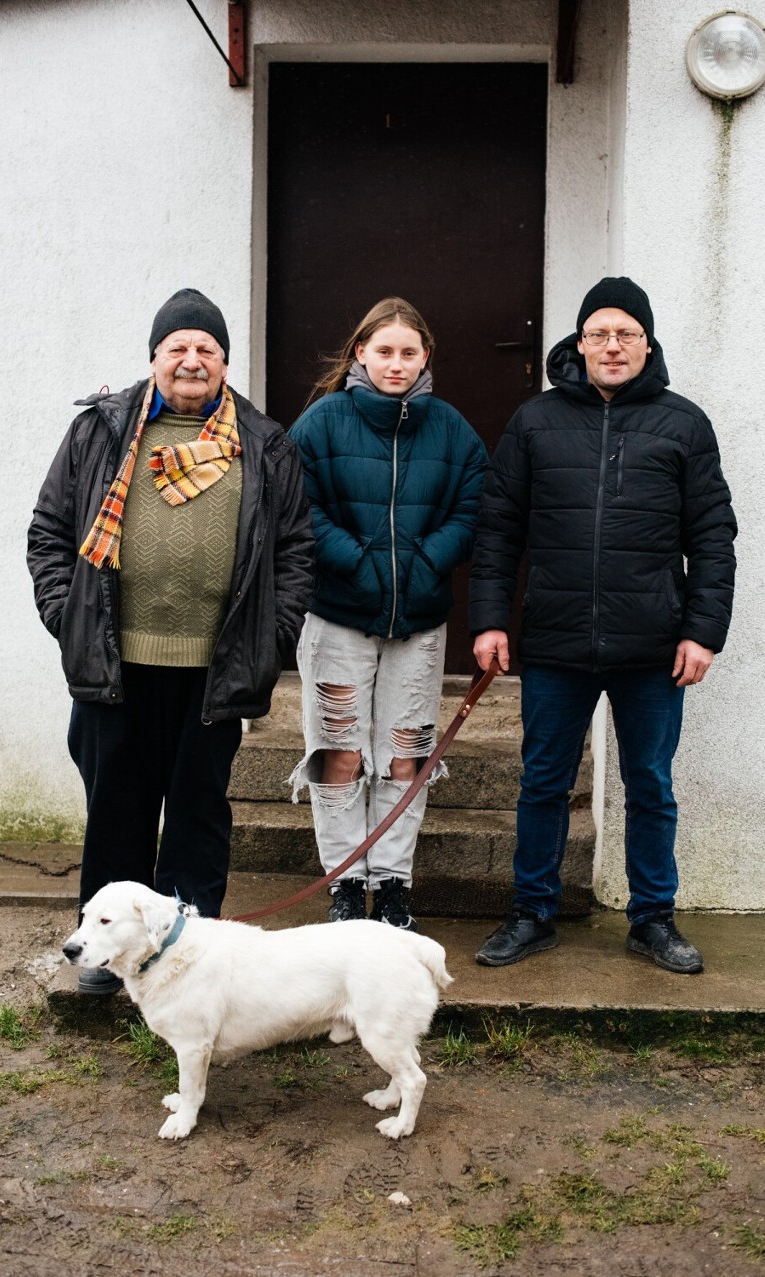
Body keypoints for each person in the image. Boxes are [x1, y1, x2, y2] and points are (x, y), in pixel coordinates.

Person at [27, 288, 314, 993]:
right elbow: (49, 534)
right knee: (117, 811)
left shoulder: (265, 443)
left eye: (206, 349)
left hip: (212, 669)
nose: (192, 360)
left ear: (224, 362)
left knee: (196, 812)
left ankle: (187, 959)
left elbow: (296, 551)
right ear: (154, 358)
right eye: (177, 347)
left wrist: (270, 640)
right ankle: (107, 957)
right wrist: (70, 619)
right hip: (114, 663)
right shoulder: (100, 430)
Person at [469, 277, 737, 974]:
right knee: (543, 781)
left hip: (653, 645)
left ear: (648, 345)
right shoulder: (536, 422)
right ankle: (532, 912)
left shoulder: (684, 424)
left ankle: (653, 918)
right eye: (599, 333)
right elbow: (498, 528)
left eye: (627, 334)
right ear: (578, 343)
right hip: (556, 641)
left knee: (649, 782)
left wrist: (702, 631)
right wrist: (491, 620)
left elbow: (712, 536)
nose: (612, 346)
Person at [288, 297, 487, 930]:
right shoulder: (320, 424)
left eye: (408, 352)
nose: (395, 364)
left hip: (419, 624)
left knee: (406, 754)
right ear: (360, 355)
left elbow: (473, 506)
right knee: (339, 753)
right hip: (338, 616)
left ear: (425, 357)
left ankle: (393, 882)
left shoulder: (452, 429)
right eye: (384, 352)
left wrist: (427, 563)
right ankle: (346, 883)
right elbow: (299, 506)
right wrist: (360, 559)